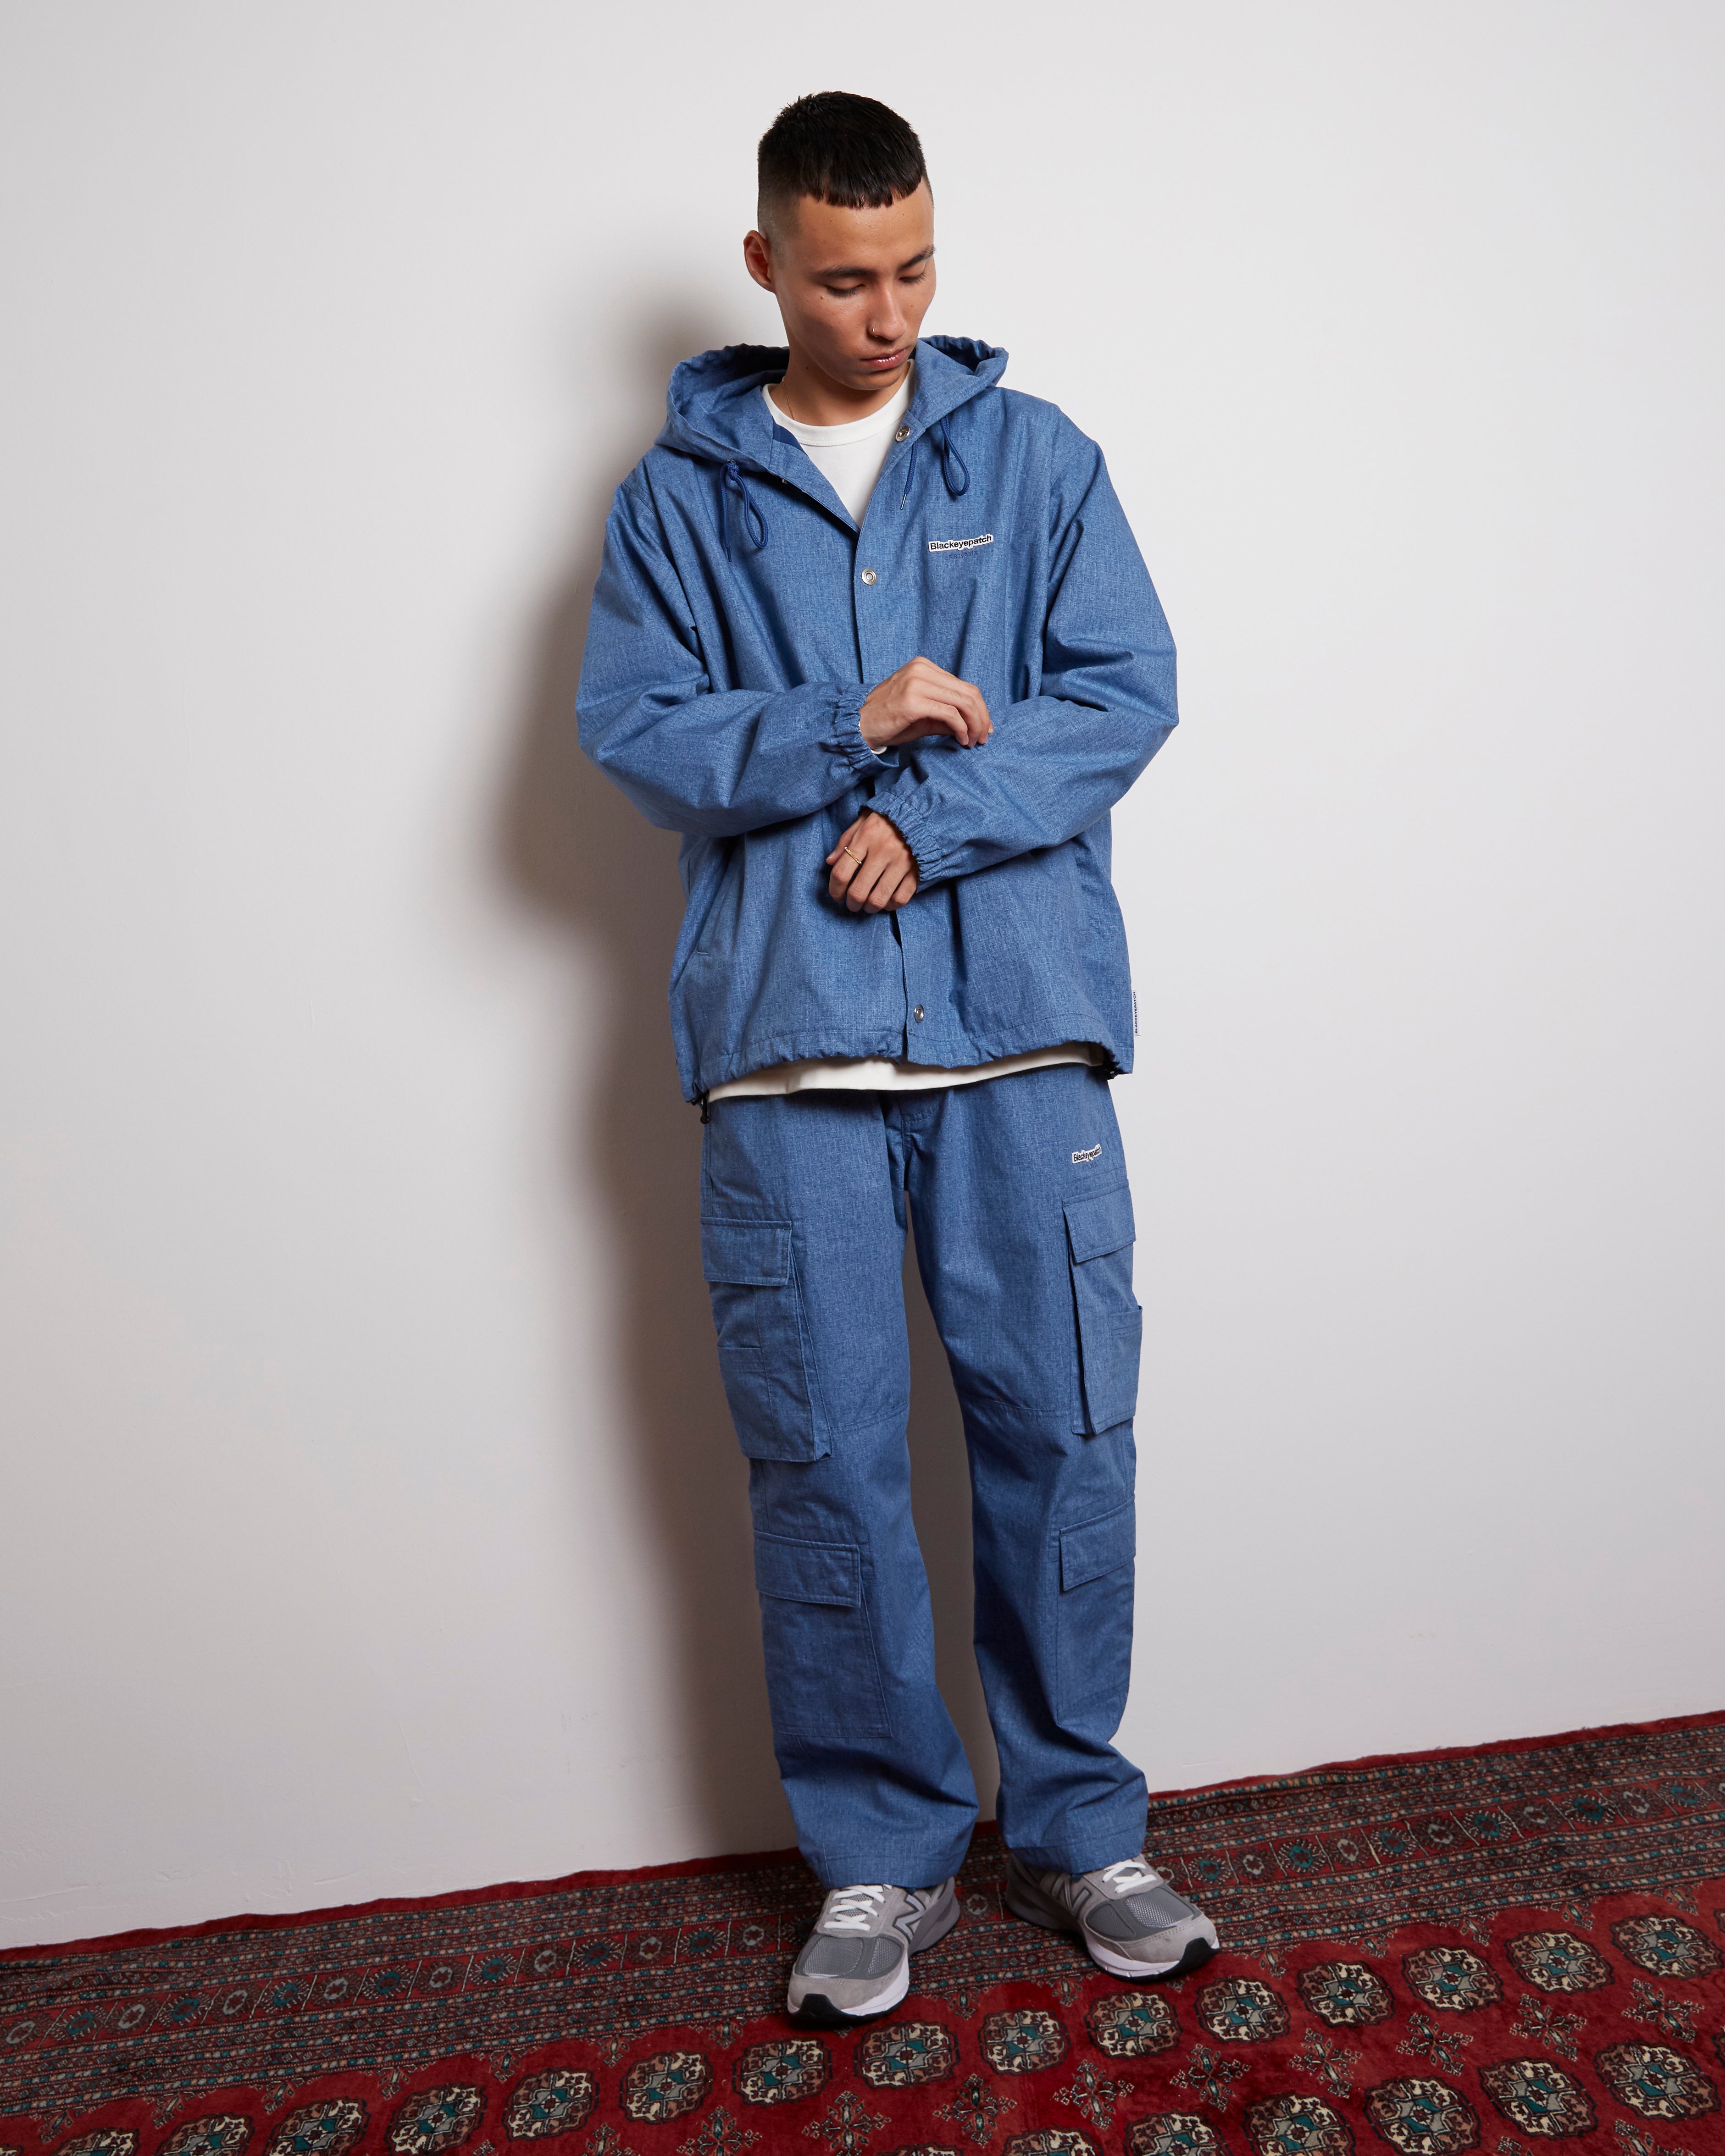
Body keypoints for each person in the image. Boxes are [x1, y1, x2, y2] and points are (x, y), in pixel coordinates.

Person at [577, 90, 1217, 2024]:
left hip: (1020, 1035)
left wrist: (926, 825)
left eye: (917, 270)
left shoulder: (1035, 460)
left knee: (1065, 1439)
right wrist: (838, 725)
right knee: (826, 1466)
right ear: (765, 263)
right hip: (789, 1054)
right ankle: (878, 1860)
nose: (887, 314)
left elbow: (1123, 693)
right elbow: (636, 731)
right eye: (845, 279)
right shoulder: (674, 499)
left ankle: (1083, 1829)